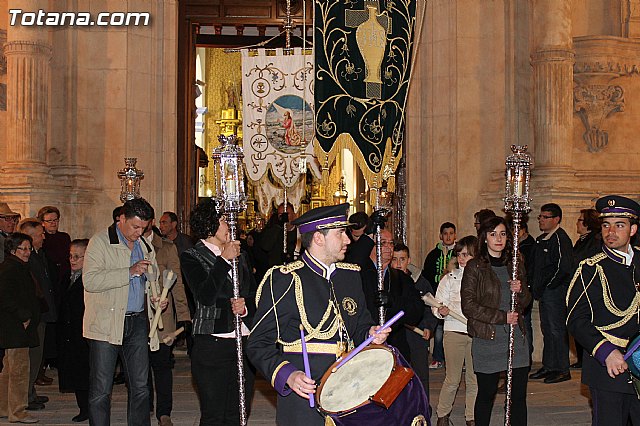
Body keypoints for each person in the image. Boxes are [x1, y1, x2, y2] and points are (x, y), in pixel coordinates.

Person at [246, 203, 391, 426]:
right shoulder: (286, 280)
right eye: (340, 233)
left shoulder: (350, 276)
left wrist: (371, 333)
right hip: (305, 396)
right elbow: (258, 343)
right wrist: (288, 376)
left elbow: (360, 324)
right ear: (318, 238)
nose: (348, 240)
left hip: (349, 392)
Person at [83, 197, 167, 426]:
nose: (139, 233)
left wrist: (156, 298)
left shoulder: (145, 245)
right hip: (106, 323)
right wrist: (128, 271)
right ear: (121, 218)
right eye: (135, 226)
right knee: (101, 389)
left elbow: (152, 278)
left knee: (141, 386)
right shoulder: (100, 242)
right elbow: (90, 280)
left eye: (144, 228)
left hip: (138, 321)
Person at [179, 198, 257, 426]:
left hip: (242, 341)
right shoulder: (191, 256)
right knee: (214, 415)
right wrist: (223, 260)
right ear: (209, 224)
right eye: (224, 220)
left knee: (238, 413)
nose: (230, 226)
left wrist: (245, 307)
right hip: (213, 344)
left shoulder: (241, 254)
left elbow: (254, 294)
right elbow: (205, 295)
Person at [567, 195, 640, 426]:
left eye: (619, 225)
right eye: (606, 225)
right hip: (608, 368)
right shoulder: (591, 268)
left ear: (633, 229)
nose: (611, 231)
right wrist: (606, 351)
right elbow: (575, 319)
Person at [461, 216, 532, 426]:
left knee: (518, 397)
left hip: (515, 338)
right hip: (488, 337)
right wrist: (502, 317)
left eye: (502, 234)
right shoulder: (475, 266)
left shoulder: (516, 262)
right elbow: (469, 305)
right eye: (493, 234)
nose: (498, 239)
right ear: (484, 238)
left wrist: (520, 291)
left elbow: (526, 300)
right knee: (486, 394)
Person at [143, 221, 191, 426]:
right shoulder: (127, 246)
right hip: (137, 318)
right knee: (139, 368)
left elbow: (177, 283)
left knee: (162, 366)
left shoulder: (167, 248)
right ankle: (143, 407)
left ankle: (164, 412)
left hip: (162, 317)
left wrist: (184, 315)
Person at [433, 236, 478, 426]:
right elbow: (436, 304)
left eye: (466, 255)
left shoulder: (481, 278)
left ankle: (471, 417)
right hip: (454, 333)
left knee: (474, 379)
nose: (461, 258)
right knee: (452, 378)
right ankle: (443, 415)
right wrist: (441, 311)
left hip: (475, 333)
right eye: (459, 254)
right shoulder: (449, 279)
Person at [358, 229, 423, 361]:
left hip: (395, 347)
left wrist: (393, 301)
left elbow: (416, 312)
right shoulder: (358, 274)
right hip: (364, 348)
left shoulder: (401, 278)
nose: (388, 247)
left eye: (391, 243)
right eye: (382, 243)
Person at [528, 203, 573, 384]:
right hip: (545, 293)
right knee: (547, 329)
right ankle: (549, 366)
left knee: (557, 330)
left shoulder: (561, 239)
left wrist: (549, 286)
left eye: (545, 217)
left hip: (555, 293)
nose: (541, 220)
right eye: (540, 217)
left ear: (556, 219)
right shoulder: (542, 239)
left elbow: (563, 268)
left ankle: (562, 368)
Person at [0, 233, 40, 424]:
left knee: (8, 370)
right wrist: (24, 316)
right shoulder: (11, 269)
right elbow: (6, 297)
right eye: (22, 248)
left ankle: (3, 407)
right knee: (19, 371)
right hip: (15, 327)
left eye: (29, 248)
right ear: (12, 250)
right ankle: (18, 412)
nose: (27, 252)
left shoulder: (15, 267)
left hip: (14, 327)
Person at [391, 243, 438, 401]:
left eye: (402, 259)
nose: (398, 264)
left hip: (416, 335)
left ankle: (423, 407)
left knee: (420, 374)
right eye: (394, 259)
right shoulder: (386, 281)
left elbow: (431, 308)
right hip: (395, 335)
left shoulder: (421, 282)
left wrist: (428, 327)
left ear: (408, 260)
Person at [56, 239, 90, 423]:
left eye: (77, 256)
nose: (72, 260)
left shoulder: (89, 279)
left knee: (85, 372)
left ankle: (89, 408)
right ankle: (82, 407)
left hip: (84, 332)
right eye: (70, 256)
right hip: (69, 332)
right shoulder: (67, 277)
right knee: (76, 372)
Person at [423, 222, 457, 369]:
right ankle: (437, 357)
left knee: (453, 330)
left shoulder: (458, 253)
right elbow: (427, 274)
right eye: (445, 233)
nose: (448, 236)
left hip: (454, 297)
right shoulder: (433, 254)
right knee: (438, 330)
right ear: (440, 236)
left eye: (451, 233)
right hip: (438, 296)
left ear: (455, 235)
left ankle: (455, 360)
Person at [570, 208, 601, 369]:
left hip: (588, 289)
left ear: (588, 223)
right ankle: (582, 358)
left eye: (580, 220)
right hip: (579, 288)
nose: (577, 223)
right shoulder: (581, 240)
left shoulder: (595, 240)